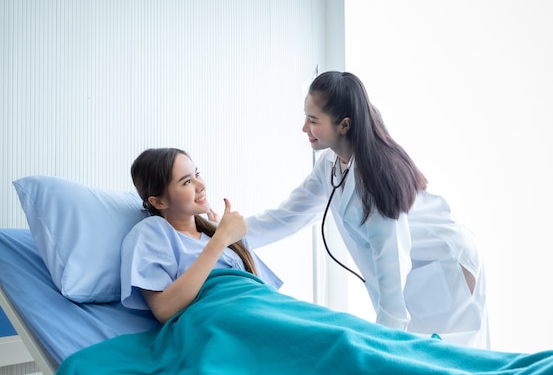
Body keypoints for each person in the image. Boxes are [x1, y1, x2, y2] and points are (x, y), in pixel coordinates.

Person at [245, 71, 489, 348]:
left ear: (344, 125)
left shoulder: (375, 184)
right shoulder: (330, 165)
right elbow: (287, 217)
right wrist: (228, 234)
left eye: (313, 120)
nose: (304, 127)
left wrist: (380, 346)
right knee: (421, 359)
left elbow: (392, 263)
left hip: (445, 265)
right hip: (421, 269)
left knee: (448, 361)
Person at [120, 147, 281, 323]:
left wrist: (221, 234)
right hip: (218, 319)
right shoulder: (153, 232)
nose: (202, 185)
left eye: (197, 174)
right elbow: (164, 310)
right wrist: (221, 239)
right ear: (158, 201)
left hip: (261, 308)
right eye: (187, 182)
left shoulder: (218, 231)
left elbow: (266, 292)